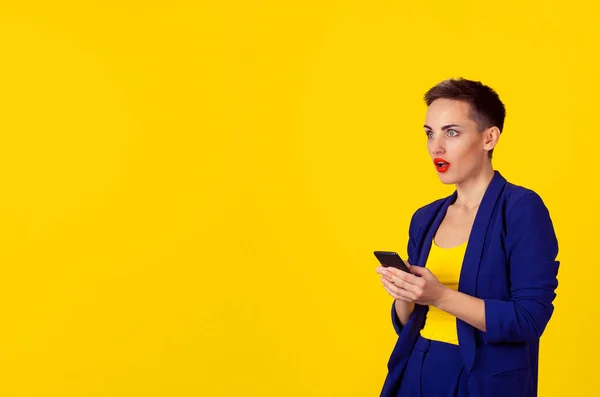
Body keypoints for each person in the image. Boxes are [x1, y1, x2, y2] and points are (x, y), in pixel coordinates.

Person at [375, 78, 560, 397]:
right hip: (417, 368)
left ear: (490, 137)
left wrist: (440, 296)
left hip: (483, 378)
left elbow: (529, 319)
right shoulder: (425, 217)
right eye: (429, 133)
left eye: (452, 132)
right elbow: (410, 323)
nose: (436, 147)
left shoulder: (520, 209)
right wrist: (405, 293)